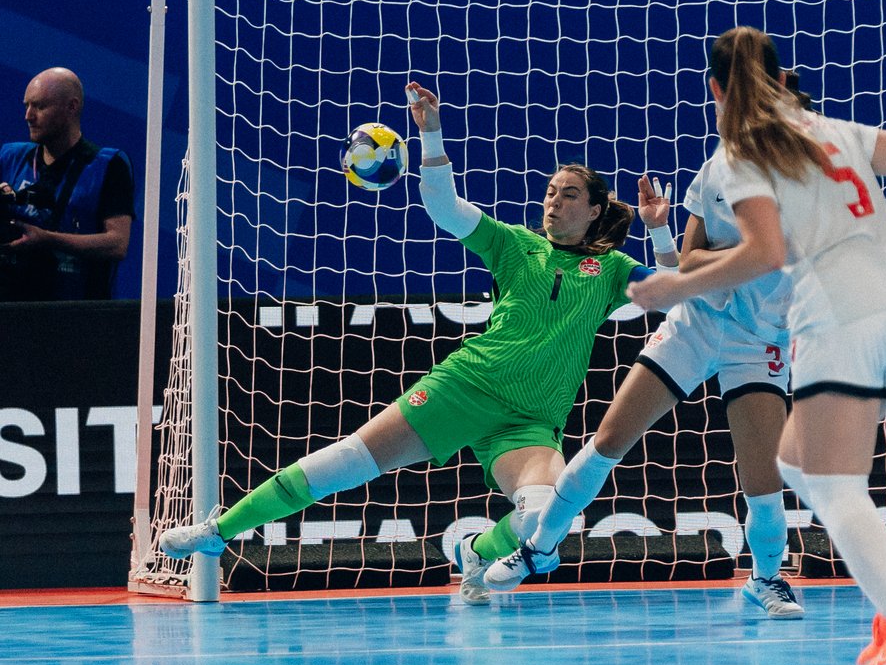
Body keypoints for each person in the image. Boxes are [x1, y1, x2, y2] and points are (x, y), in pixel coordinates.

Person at [502, 27, 886, 665]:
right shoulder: (803, 143)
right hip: (871, 320)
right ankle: (539, 549)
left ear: (717, 90)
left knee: (803, 480)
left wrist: (672, 283)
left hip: (795, 331)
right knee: (764, 460)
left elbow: (755, 253)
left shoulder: (749, 154)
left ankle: (884, 618)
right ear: (781, 83)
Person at [159, 82, 675, 602]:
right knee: (347, 463)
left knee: (547, 514)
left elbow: (677, 293)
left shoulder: (611, 270)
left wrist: (658, 232)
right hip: (466, 386)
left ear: (593, 211)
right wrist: (432, 135)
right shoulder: (515, 245)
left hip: (532, 420)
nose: (554, 202)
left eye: (569, 195)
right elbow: (445, 208)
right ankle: (218, 531)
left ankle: (475, 550)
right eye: (549, 192)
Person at [485, 33, 804, 618]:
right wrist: (741, 252)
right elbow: (686, 264)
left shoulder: (815, 177)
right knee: (609, 440)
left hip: (760, 340)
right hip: (697, 323)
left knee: (763, 479)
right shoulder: (715, 174)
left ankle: (766, 578)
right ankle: (538, 548)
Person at [0, 67, 135, 301]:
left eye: (39, 106)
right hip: (12, 308)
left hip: (77, 314)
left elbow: (117, 243)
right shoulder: (10, 156)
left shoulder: (108, 164)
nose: (28, 116)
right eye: (26, 106)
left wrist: (46, 238)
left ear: (71, 107)